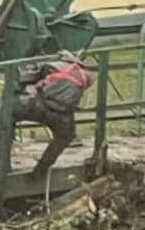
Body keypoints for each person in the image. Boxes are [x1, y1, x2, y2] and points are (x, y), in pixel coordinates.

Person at [12, 50, 94, 178]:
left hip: (40, 106)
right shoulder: (88, 76)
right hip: (62, 114)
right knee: (66, 136)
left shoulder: (51, 66)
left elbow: (26, 79)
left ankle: (2, 161)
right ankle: (41, 169)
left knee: (9, 114)